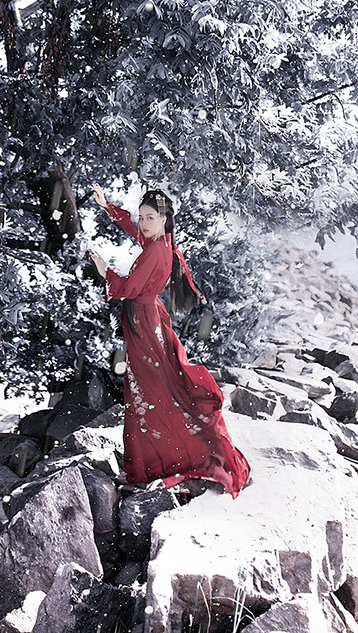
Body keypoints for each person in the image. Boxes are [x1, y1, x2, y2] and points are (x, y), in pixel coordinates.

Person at [89, 184, 250, 497]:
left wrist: (103, 269)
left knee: (150, 391)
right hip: (147, 319)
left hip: (144, 325)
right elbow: (134, 230)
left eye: (150, 218)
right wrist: (108, 207)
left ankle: (168, 458)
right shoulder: (160, 243)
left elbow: (127, 288)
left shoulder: (155, 251)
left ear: (163, 220)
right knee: (155, 389)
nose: (144, 223)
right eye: (142, 217)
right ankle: (163, 455)